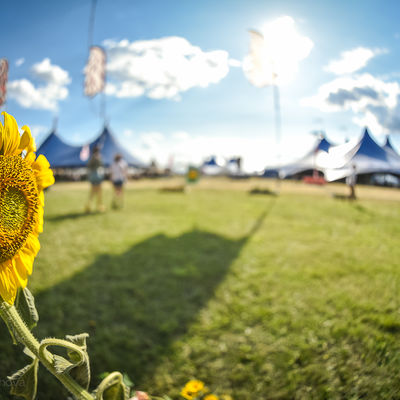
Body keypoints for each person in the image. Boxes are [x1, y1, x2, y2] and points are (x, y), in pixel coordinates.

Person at [85, 146, 105, 212]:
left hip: (92, 176)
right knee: (99, 192)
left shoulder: (91, 158)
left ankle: (89, 206)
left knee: (92, 192)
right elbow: (101, 165)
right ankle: (99, 207)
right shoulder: (97, 157)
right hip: (97, 176)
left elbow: (88, 167)